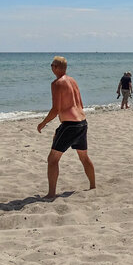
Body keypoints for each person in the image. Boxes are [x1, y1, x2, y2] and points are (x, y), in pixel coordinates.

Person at [36, 56, 96, 199]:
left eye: (52, 65)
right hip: (82, 122)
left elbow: (56, 109)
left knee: (52, 159)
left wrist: (43, 123)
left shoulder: (57, 83)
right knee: (83, 156)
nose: (51, 68)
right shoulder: (73, 81)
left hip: (70, 125)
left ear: (56, 67)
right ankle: (93, 186)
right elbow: (80, 104)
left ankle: (51, 194)